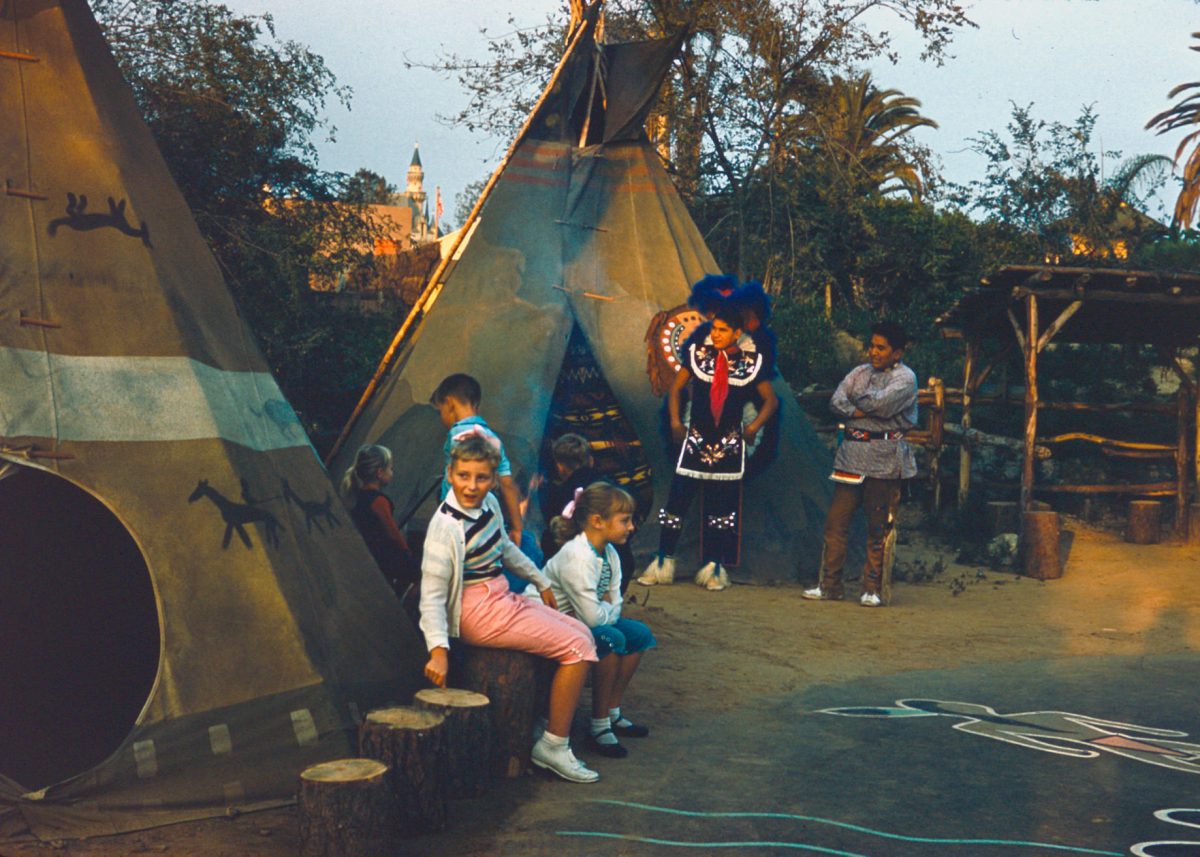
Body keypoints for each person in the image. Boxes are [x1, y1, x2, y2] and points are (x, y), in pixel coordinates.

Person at [419, 434, 600, 783]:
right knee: (579, 648)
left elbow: (503, 547)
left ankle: (544, 723)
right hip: (476, 610)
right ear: (449, 474)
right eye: (463, 476)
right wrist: (438, 651)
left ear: (491, 478)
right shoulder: (445, 528)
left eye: (482, 477)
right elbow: (432, 595)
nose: (472, 486)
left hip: (500, 593)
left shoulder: (488, 505)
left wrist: (542, 581)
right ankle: (554, 747)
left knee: (581, 631)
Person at [638, 304, 778, 591]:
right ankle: (662, 563)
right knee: (677, 503)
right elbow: (676, 389)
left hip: (728, 445)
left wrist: (752, 427)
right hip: (696, 440)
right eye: (714, 329)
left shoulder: (750, 363)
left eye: (723, 330)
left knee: (721, 509)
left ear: (737, 333)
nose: (716, 334)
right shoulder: (698, 355)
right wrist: (676, 422)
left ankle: (714, 568)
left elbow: (771, 401)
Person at [803, 321, 918, 608]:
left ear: (897, 353)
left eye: (881, 348)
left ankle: (873, 588)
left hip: (883, 456)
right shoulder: (859, 372)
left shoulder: (906, 378)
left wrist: (858, 402)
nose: (874, 352)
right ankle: (830, 584)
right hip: (851, 455)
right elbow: (836, 401)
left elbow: (883, 405)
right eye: (872, 346)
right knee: (836, 523)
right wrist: (864, 405)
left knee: (878, 526)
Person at [543, 482, 655, 759]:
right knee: (611, 637)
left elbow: (614, 600)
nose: (631, 527)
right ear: (597, 521)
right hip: (551, 620)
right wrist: (606, 606)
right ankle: (599, 724)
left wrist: (606, 606)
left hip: (579, 618)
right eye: (625, 520)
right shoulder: (577, 557)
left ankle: (613, 711)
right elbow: (594, 617)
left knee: (638, 634)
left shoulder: (611, 553)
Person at [431, 373, 524, 546]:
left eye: (440, 411)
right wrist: (517, 528)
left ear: (449, 403)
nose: (441, 417)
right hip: (484, 522)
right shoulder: (493, 439)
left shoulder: (457, 435)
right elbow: (508, 485)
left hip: (457, 522)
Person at [540, 433, 636, 594]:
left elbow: (553, 538)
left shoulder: (562, 493)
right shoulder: (614, 489)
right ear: (590, 460)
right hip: (622, 565)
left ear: (560, 466)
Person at [341, 444, 417, 606]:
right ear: (379, 473)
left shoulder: (359, 497)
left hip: (373, 554)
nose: (392, 473)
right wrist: (406, 551)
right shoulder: (379, 501)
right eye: (390, 468)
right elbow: (392, 532)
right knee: (421, 575)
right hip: (386, 556)